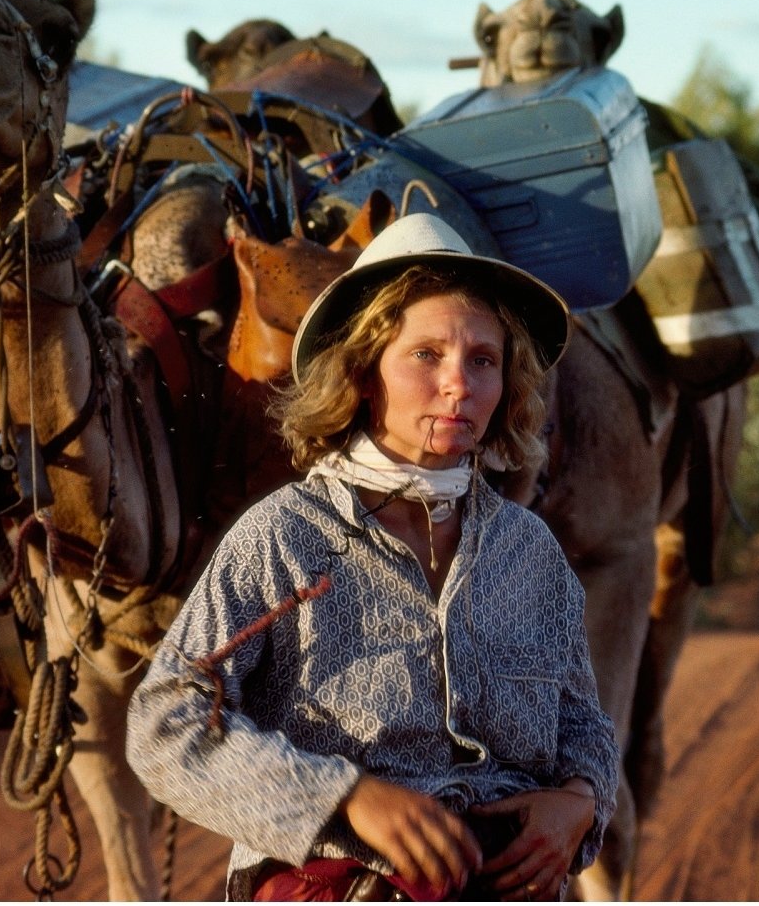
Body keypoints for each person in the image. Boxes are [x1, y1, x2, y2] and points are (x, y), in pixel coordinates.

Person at [126, 212, 620, 901]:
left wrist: (580, 799)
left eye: (483, 359)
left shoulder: (529, 550)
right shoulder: (284, 538)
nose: (460, 383)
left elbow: (582, 722)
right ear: (362, 372)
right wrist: (344, 796)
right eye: (426, 355)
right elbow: (163, 725)